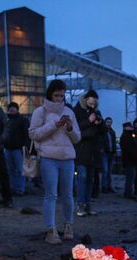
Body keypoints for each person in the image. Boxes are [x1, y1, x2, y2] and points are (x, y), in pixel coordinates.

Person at [29, 79, 81, 244]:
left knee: (68, 195)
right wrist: (54, 124)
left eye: (62, 95)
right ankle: (50, 230)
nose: (59, 98)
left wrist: (70, 128)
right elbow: (33, 134)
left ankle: (68, 226)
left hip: (67, 158)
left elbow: (77, 138)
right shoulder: (40, 112)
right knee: (51, 194)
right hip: (48, 158)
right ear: (50, 94)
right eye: (56, 95)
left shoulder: (69, 112)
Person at [73, 90, 106, 217]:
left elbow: (103, 131)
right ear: (86, 100)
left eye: (95, 104)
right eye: (91, 103)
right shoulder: (77, 111)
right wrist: (89, 121)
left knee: (90, 180)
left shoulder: (97, 112)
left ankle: (87, 205)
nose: (93, 106)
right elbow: (74, 129)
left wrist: (100, 123)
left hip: (93, 152)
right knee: (82, 178)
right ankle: (80, 205)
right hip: (81, 151)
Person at [3, 101, 30, 196]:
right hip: (7, 149)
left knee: (19, 170)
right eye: (10, 108)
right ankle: (13, 188)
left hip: (18, 149)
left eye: (14, 107)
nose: (12, 109)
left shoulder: (23, 120)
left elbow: (27, 135)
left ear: (17, 109)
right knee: (10, 170)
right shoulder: (6, 121)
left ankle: (20, 189)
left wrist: (26, 147)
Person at [119, 122, 137, 199]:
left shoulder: (127, 136)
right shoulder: (126, 137)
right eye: (130, 127)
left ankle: (128, 192)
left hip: (129, 160)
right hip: (130, 161)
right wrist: (136, 156)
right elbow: (129, 150)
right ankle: (128, 193)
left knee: (130, 177)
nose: (132, 128)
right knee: (130, 177)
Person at [101, 117, 117, 193]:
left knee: (109, 171)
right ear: (105, 122)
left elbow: (114, 142)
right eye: (107, 122)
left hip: (111, 153)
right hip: (104, 153)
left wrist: (114, 151)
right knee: (105, 170)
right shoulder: (102, 132)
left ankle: (109, 186)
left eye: (110, 122)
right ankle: (104, 187)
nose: (109, 123)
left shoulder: (112, 132)